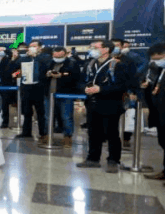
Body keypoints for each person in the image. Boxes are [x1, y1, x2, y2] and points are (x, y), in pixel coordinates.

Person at [77, 40, 127, 173]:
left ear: (106, 50)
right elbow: (81, 81)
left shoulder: (117, 65)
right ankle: (93, 159)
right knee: (93, 133)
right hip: (92, 104)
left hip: (110, 104)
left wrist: (101, 89)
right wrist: (85, 89)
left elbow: (122, 86)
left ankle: (113, 160)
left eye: (96, 47)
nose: (92, 49)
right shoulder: (89, 64)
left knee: (112, 134)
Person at [43, 47, 82, 147]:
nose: (57, 58)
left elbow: (75, 78)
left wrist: (61, 76)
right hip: (49, 94)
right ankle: (47, 135)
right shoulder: (49, 63)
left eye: (59, 56)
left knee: (66, 116)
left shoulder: (72, 64)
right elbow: (41, 75)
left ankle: (67, 137)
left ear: (65, 54)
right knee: (47, 116)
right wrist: (47, 74)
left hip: (65, 94)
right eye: (55, 56)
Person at [142, 43, 165, 180]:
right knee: (162, 141)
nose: (156, 62)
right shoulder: (161, 70)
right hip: (160, 111)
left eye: (158, 58)